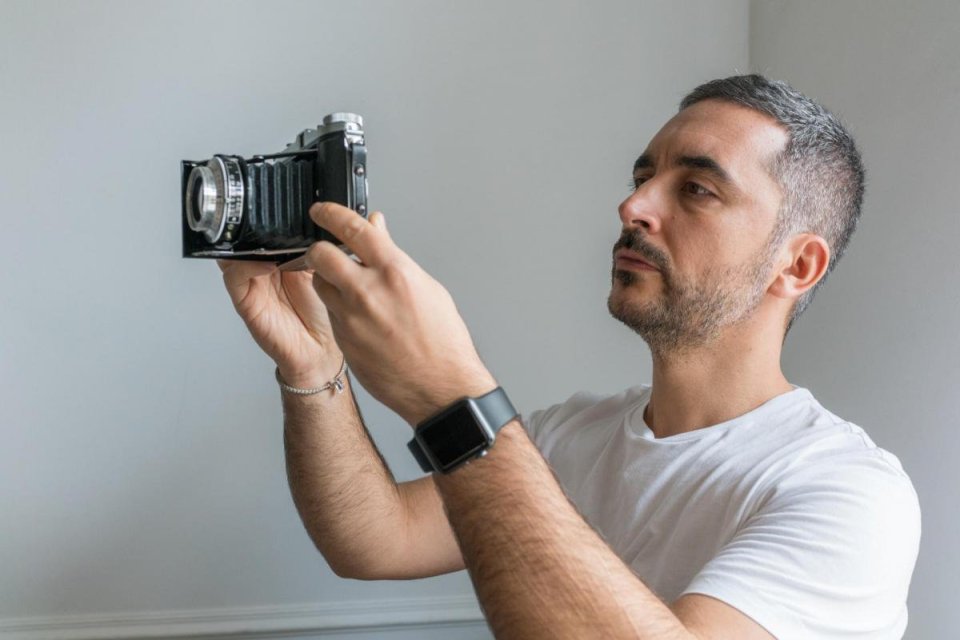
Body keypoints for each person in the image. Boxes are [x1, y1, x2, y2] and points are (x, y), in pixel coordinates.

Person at [219, 75, 920, 639]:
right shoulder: (567, 438)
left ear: (797, 266)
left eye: (697, 189)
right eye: (643, 176)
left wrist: (452, 396)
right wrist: (314, 371)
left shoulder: (849, 494)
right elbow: (372, 540)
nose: (634, 204)